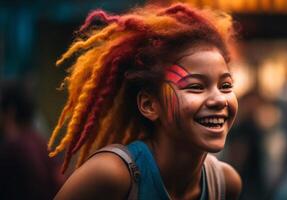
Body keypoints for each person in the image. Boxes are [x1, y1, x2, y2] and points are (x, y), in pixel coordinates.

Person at [48, 3, 241, 199]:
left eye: (225, 86)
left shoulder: (225, 184)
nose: (219, 100)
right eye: (196, 87)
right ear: (149, 105)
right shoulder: (111, 175)